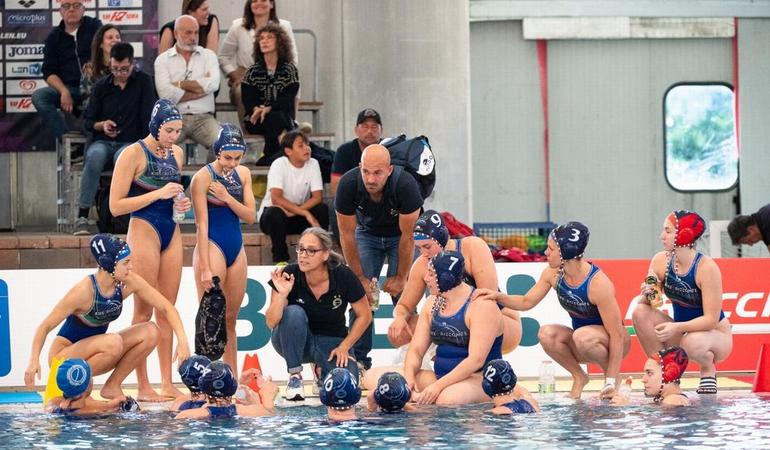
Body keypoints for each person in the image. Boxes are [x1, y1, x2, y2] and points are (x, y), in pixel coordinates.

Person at [473, 222, 630, 399]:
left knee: (582, 336)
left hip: (614, 341)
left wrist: (610, 378)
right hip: (583, 341)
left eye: (551, 249)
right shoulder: (553, 274)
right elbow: (526, 301)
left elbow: (616, 334)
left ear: (565, 253)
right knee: (546, 334)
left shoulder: (598, 284)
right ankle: (579, 377)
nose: (545, 253)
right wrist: (497, 296)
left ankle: (611, 379)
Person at [24, 234, 191, 400]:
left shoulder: (129, 281)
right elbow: (44, 326)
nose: (131, 267)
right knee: (113, 342)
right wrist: (33, 360)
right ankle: (77, 385)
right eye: (126, 263)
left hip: (99, 350)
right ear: (109, 264)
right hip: (63, 359)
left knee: (152, 331)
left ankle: (112, 385)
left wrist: (182, 340)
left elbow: (166, 307)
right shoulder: (84, 291)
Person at [109, 98, 192, 401]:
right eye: (169, 130)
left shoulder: (177, 154)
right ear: (155, 127)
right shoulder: (132, 154)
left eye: (178, 130)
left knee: (167, 308)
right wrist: (158, 193)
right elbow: (115, 206)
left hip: (171, 230)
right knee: (143, 311)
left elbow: (173, 199)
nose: (174, 136)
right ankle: (143, 385)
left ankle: (167, 383)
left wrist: (180, 203)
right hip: (143, 229)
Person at [335, 144, 423, 373]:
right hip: (366, 233)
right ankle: (359, 360)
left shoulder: (406, 186)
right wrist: (360, 278)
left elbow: (408, 237)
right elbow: (346, 235)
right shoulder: (348, 184)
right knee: (360, 298)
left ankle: (413, 355)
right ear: (359, 168)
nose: (370, 179)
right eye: (366, 171)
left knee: (406, 297)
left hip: (400, 236)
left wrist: (402, 277)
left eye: (377, 173)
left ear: (390, 170)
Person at [389, 210, 523, 353]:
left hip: (501, 321)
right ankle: (430, 364)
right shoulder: (422, 264)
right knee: (400, 332)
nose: (423, 253)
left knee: (461, 316)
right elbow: (404, 305)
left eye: (427, 247)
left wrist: (448, 318)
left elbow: (488, 299)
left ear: (442, 239)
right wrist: (399, 318)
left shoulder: (472, 247)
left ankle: (457, 359)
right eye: (419, 248)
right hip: (456, 321)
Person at [632, 210, 732, 395]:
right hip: (682, 330)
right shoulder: (660, 260)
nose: (662, 236)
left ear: (683, 235)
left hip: (715, 335)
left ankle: (708, 368)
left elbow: (710, 319)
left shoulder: (707, 268)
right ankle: (665, 374)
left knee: (691, 341)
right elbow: (653, 303)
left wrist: (676, 328)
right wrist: (648, 293)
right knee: (639, 312)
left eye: (668, 231)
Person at [266, 228, 372, 401]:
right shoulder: (289, 274)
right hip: (293, 342)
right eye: (300, 249)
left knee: (346, 386)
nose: (303, 255)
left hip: (331, 342)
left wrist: (345, 346)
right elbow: (271, 322)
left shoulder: (343, 274)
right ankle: (295, 377)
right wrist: (282, 295)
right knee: (293, 312)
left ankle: (320, 370)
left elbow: (364, 315)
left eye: (311, 250)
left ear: (325, 254)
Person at [191, 123, 256, 373]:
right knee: (210, 319)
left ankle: (232, 379)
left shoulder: (244, 174)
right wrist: (206, 268)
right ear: (217, 153)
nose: (232, 162)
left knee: (230, 319)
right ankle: (205, 378)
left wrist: (227, 197)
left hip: (235, 247)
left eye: (237, 158)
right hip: (211, 246)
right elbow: (201, 225)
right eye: (227, 157)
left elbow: (250, 216)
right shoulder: (203, 178)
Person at [399, 251, 504, 405]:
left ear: (445, 278)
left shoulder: (481, 306)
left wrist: (437, 387)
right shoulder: (432, 303)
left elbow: (475, 361)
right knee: (383, 381)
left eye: (431, 274)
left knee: (447, 399)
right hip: (441, 378)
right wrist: (409, 383)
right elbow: (416, 350)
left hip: (479, 379)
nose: (426, 279)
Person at [74, 43, 157, 235]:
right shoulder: (101, 86)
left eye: (124, 69)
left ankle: (124, 214)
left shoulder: (144, 82)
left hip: (131, 141)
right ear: (110, 65)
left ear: (133, 64)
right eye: (115, 69)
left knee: (124, 158)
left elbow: (148, 118)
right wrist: (101, 125)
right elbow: (87, 121)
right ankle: (82, 215)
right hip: (103, 141)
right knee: (94, 157)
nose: (119, 73)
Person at [32, 0, 102, 141]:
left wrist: (94, 67)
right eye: (66, 6)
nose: (71, 9)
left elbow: (107, 51)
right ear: (60, 12)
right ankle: (67, 140)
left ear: (83, 10)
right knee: (40, 96)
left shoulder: (94, 26)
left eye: (76, 5)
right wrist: (64, 91)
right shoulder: (53, 38)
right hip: (71, 90)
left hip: (96, 88)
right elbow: (48, 72)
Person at [219, 0, 297, 121]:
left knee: (291, 82)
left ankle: (291, 125)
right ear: (249, 5)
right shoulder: (238, 26)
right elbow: (223, 57)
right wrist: (235, 76)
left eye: (263, 0)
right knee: (241, 89)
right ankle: (249, 130)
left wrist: (280, 76)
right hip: (248, 79)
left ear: (271, 4)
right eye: (254, 1)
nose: (258, 3)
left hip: (276, 76)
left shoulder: (284, 26)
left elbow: (293, 59)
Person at [155, 15, 221, 157]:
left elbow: (214, 84)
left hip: (204, 118)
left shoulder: (209, 56)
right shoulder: (162, 60)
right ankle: (170, 179)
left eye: (196, 32)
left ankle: (211, 179)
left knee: (223, 145)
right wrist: (201, 89)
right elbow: (165, 95)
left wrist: (179, 84)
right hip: (173, 117)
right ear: (175, 33)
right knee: (157, 149)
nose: (193, 37)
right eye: (188, 32)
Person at [257, 130, 328, 264]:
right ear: (288, 151)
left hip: (294, 215)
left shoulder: (313, 163)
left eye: (307, 144)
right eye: (301, 146)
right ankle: (281, 260)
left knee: (321, 209)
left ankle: (320, 255)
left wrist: (296, 212)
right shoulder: (279, 164)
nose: (307, 148)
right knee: (275, 213)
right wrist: (305, 213)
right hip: (274, 217)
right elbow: (276, 199)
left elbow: (317, 197)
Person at [241, 22, 299, 165]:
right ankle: (279, 149)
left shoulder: (289, 69)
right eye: (261, 38)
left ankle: (270, 156)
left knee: (275, 116)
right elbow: (248, 99)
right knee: (274, 118)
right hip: (257, 119)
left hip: (281, 115)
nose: (264, 41)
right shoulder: (252, 72)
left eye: (269, 37)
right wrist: (256, 109)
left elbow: (288, 98)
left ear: (279, 42)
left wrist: (268, 108)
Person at [175, 361, 274, 419]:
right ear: (233, 388)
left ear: (203, 387)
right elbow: (270, 414)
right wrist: (266, 394)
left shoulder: (185, 415)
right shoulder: (250, 411)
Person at [44, 358, 141, 415]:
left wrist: (109, 404)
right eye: (91, 376)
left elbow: (53, 410)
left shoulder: (53, 402)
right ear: (87, 386)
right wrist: (110, 406)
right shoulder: (97, 411)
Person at [330, 109, 384, 197]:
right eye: (365, 127)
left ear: (381, 130)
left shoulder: (389, 149)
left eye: (374, 127)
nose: (369, 131)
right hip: (353, 201)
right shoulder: (344, 151)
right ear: (356, 130)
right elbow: (335, 187)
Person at [611, 347, 690, 407]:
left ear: (670, 374)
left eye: (649, 373)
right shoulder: (665, 400)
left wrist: (627, 407)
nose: (643, 380)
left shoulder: (673, 400)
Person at [80, 24, 121, 110]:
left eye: (117, 37)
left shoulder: (129, 66)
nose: (115, 40)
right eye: (110, 38)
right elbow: (87, 101)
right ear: (101, 44)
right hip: (101, 118)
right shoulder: (90, 68)